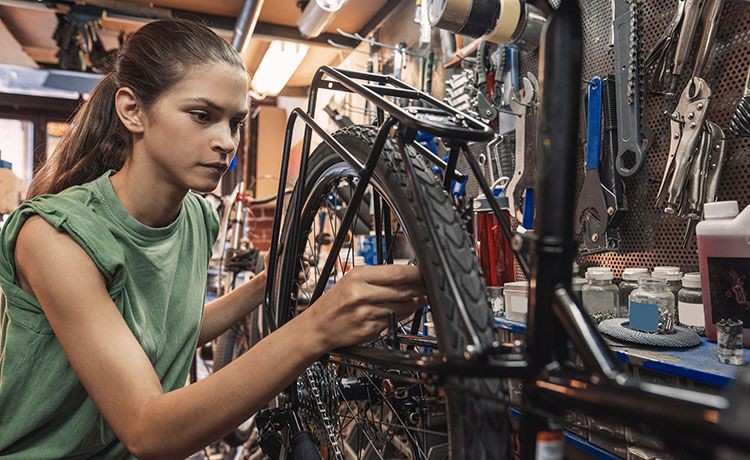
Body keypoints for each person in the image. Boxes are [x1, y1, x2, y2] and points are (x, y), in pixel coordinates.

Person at [0, 19, 426, 459]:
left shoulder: (198, 217)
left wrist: (266, 285)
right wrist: (315, 328)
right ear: (133, 111)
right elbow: (148, 431)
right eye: (202, 116)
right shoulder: (55, 237)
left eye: (235, 122)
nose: (226, 142)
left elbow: (169, 330)